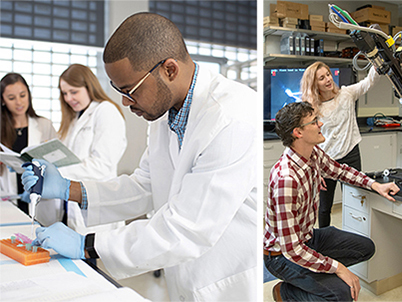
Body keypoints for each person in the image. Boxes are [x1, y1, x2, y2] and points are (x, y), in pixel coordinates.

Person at [23, 13, 259, 300]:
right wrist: (68, 190)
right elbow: (145, 185)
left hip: (228, 281)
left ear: (169, 70)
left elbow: (188, 227)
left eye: (129, 90)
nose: (124, 101)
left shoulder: (231, 117)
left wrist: (88, 244)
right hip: (185, 276)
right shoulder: (165, 114)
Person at [265, 101, 399, 301]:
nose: (320, 124)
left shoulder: (312, 154)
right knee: (342, 295)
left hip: (308, 239)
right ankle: (286, 293)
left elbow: (340, 171)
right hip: (282, 256)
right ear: (298, 133)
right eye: (314, 121)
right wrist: (338, 268)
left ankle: (308, 278)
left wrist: (375, 185)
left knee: (365, 248)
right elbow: (292, 249)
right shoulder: (287, 180)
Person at [33, 64, 128, 233]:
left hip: (95, 203)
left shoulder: (105, 111)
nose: (68, 98)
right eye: (64, 93)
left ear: (89, 87)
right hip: (69, 207)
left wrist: (58, 173)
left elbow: (102, 165)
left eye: (74, 91)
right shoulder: (74, 118)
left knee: (86, 255)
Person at [300, 61, 381, 228]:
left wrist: (377, 64)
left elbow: (368, 83)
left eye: (328, 74)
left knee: (356, 199)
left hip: (350, 154)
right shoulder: (312, 108)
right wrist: (315, 169)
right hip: (326, 160)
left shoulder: (346, 94)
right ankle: (325, 240)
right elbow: (309, 140)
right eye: (321, 78)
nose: (328, 79)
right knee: (324, 207)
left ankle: (355, 233)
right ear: (314, 84)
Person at [0, 73, 58, 214]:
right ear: (2, 100)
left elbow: (57, 161)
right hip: (9, 197)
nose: (19, 102)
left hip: (40, 199)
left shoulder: (44, 125)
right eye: (11, 98)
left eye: (22, 95)